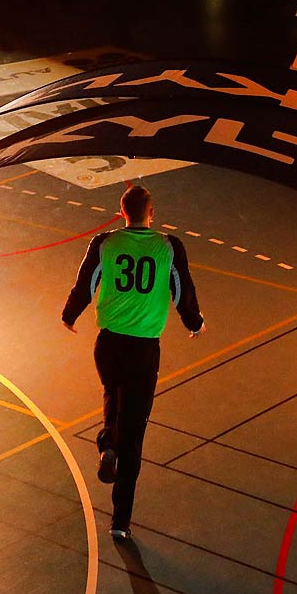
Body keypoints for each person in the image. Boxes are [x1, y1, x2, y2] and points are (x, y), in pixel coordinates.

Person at [61, 184, 205, 540]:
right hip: (143, 348)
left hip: (108, 343)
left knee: (112, 396)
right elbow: (181, 289)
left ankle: (108, 443)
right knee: (135, 431)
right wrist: (194, 322)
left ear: (122, 211)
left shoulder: (105, 242)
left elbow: (86, 283)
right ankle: (120, 520)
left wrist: (69, 314)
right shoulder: (168, 246)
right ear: (150, 212)